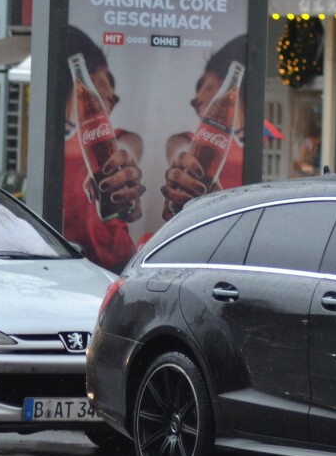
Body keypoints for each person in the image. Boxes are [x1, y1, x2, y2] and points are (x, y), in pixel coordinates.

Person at [60, 26, 145, 273]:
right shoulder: (56, 141)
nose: (113, 97)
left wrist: (123, 170)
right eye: (105, 82)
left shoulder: (119, 140)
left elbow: (128, 150)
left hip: (117, 264)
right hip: (66, 264)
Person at [162, 35, 247, 218]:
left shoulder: (251, 143)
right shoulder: (187, 139)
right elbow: (182, 152)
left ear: (232, 90)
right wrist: (185, 169)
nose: (195, 99)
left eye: (206, 87)